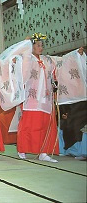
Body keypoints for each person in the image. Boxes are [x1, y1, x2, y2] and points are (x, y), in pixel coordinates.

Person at [15, 33, 86, 163]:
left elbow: (63, 61)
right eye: (37, 45)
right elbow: (18, 65)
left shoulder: (47, 60)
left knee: (45, 125)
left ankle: (43, 152)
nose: (40, 48)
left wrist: (76, 53)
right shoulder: (27, 59)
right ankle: (22, 149)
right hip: (31, 99)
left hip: (46, 99)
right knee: (28, 125)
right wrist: (24, 45)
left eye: (42, 45)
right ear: (31, 47)